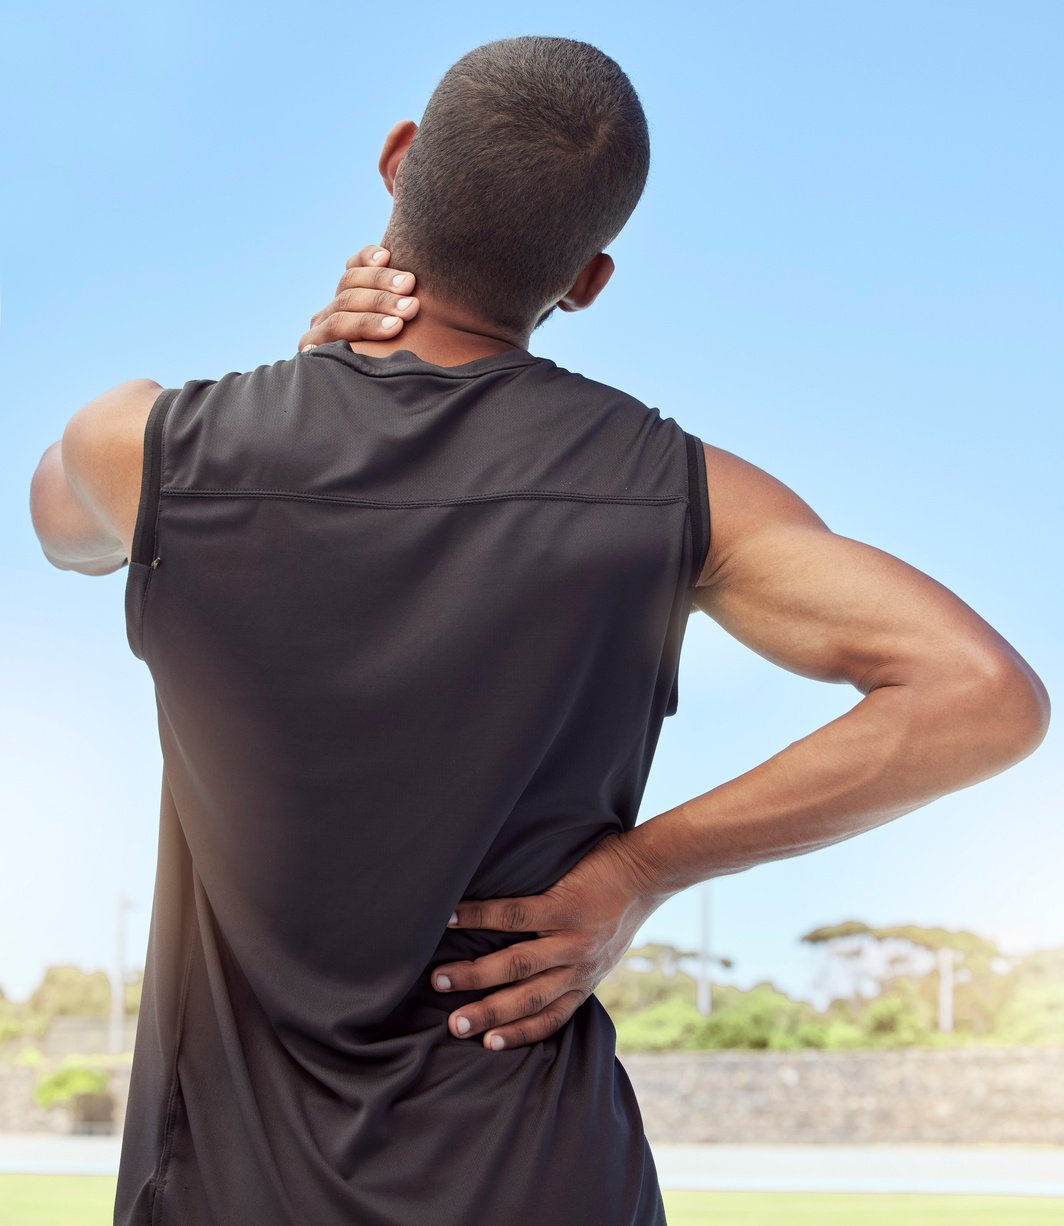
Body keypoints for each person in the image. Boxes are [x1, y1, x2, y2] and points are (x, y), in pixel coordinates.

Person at [29, 34, 1049, 1226]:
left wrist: (295, 376)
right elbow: (981, 692)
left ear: (399, 161)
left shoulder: (152, 446)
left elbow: (63, 522)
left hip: (228, 1189)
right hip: (542, 1178)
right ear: (586, 279)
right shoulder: (676, 492)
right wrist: (639, 870)